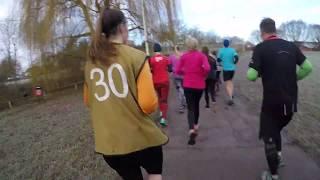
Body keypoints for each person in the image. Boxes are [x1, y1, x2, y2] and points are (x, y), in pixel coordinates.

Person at [83, 9, 168, 180]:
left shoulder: (90, 63)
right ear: (122, 28)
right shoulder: (136, 57)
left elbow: (88, 101)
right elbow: (148, 105)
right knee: (154, 172)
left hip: (110, 145)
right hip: (140, 139)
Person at [247, 18, 313, 180]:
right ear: (275, 30)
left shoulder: (261, 48)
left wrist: (259, 72)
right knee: (276, 129)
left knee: (269, 135)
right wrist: (295, 78)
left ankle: (273, 175)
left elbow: (251, 75)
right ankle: (278, 157)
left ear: (262, 32)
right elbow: (308, 67)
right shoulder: (291, 46)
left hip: (271, 103)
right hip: (290, 104)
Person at [176, 37, 210, 145]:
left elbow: (177, 70)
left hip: (188, 84)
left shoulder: (184, 57)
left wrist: (185, 73)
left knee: (190, 107)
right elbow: (207, 68)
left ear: (187, 46)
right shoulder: (202, 55)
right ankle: (195, 124)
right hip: (199, 85)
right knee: (196, 105)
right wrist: (203, 74)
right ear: (196, 45)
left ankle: (191, 129)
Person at [149, 43, 171, 127]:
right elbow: (170, 69)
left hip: (155, 82)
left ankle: (161, 113)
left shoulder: (151, 60)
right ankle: (163, 119)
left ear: (154, 50)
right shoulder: (166, 58)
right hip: (165, 81)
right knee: (164, 99)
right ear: (160, 49)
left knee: (159, 97)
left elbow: (149, 70)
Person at [218, 39, 239, 105]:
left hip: (226, 69)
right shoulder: (232, 50)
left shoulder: (221, 50)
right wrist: (234, 62)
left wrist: (222, 61)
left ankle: (230, 98)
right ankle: (231, 94)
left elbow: (218, 59)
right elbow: (236, 57)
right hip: (232, 69)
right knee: (230, 81)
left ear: (223, 44)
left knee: (227, 84)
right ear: (229, 44)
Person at [169, 45, 186, 113]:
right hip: (184, 76)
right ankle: (185, 103)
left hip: (176, 76)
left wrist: (172, 71)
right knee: (184, 90)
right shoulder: (184, 55)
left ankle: (181, 106)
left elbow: (169, 68)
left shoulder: (171, 57)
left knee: (179, 91)